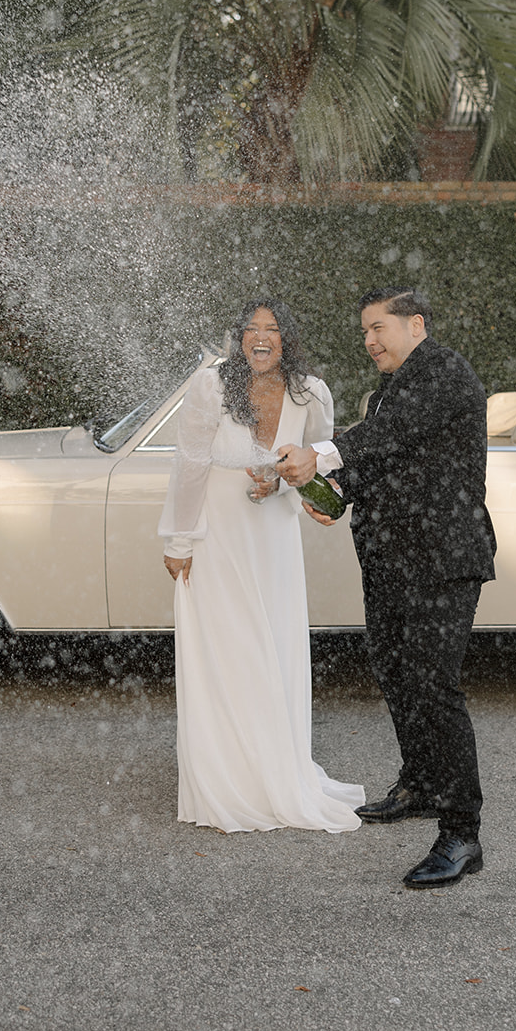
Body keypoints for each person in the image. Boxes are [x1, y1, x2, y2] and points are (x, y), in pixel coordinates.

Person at [276, 287, 496, 888]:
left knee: (434, 686)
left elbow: (392, 433)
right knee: (395, 671)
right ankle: (421, 785)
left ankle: (461, 834)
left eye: (379, 328)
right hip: (391, 559)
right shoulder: (391, 388)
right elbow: (384, 458)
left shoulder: (444, 372)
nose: (369, 340)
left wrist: (320, 456)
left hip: (441, 560)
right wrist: (341, 493)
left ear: (416, 324)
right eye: (365, 331)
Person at [159, 299, 364, 834]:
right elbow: (191, 462)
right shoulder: (210, 386)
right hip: (217, 537)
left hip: (272, 536)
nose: (260, 336)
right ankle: (228, 779)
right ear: (238, 337)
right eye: (250, 328)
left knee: (272, 646)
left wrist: (288, 484)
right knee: (226, 651)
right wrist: (180, 538)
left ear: (287, 338)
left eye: (271, 328)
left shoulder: (311, 392)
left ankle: (275, 772)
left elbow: (321, 454)